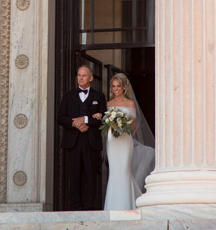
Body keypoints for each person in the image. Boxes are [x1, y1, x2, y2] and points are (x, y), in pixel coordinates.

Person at [100, 73, 155, 210]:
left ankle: (127, 204)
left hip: (125, 141)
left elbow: (132, 126)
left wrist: (120, 124)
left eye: (118, 86)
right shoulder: (108, 104)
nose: (115, 89)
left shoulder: (130, 104)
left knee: (124, 171)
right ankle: (113, 206)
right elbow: (105, 124)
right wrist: (111, 124)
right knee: (114, 172)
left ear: (124, 87)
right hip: (112, 142)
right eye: (113, 86)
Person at [57, 64, 107, 210]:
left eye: (84, 75)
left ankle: (91, 207)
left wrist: (85, 120)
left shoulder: (99, 96)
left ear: (90, 78)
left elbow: (103, 118)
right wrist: (75, 124)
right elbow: (60, 118)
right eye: (79, 75)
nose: (80, 78)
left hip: (91, 143)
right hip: (73, 142)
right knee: (74, 176)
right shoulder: (68, 95)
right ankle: (75, 208)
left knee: (91, 177)